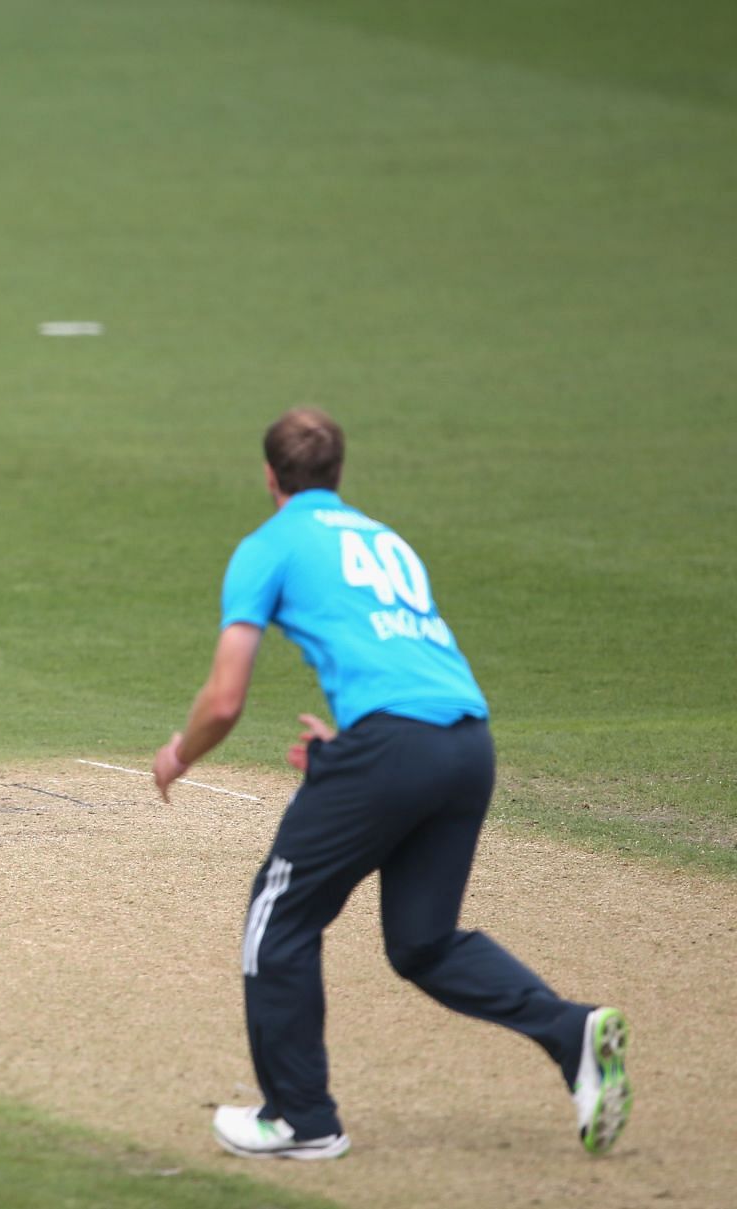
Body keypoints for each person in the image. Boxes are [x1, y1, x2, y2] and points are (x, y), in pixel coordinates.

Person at [152, 407, 629, 1160]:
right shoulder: (385, 538)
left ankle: (301, 1119)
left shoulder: (266, 545)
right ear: (339, 474)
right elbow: (405, 656)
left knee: (276, 922)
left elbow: (224, 700)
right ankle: (572, 1032)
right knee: (424, 941)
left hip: (392, 749)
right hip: (466, 745)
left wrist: (180, 754)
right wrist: (355, 743)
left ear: (270, 476)